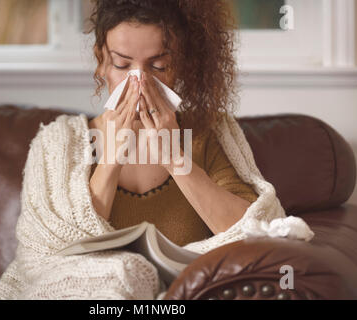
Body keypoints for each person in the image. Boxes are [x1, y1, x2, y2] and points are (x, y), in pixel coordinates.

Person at [85, 0, 259, 247]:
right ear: (102, 61)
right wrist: (111, 158)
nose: (140, 81)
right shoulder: (60, 143)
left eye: (159, 66)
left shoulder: (208, 133)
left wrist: (175, 158)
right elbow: (63, 248)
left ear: (181, 66)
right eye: (122, 65)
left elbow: (252, 229)